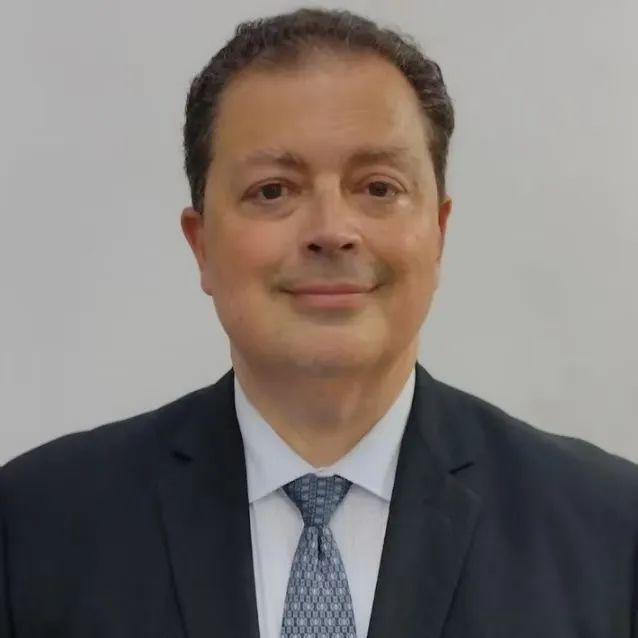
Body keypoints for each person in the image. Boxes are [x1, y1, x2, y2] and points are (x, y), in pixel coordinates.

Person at [1, 7, 637, 637]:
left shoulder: (611, 531)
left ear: (438, 233)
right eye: (273, 190)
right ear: (201, 246)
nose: (332, 231)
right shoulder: (36, 525)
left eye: (378, 188)